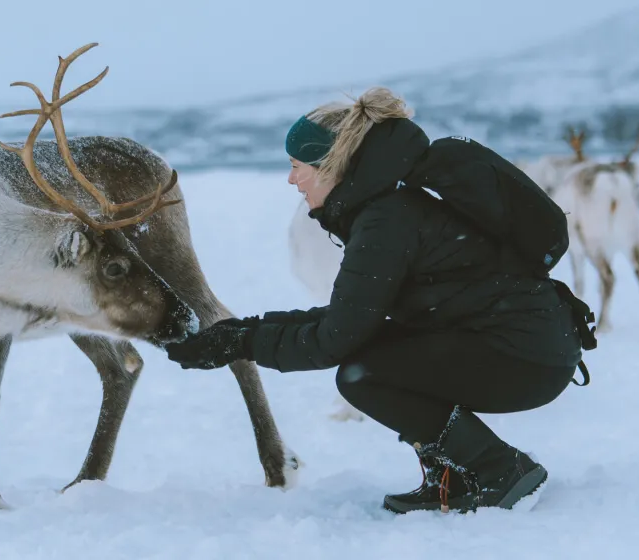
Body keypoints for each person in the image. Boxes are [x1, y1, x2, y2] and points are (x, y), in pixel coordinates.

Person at [162, 87, 589, 515]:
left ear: (329, 166)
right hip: (523, 344)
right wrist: (244, 330)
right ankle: (456, 477)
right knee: (375, 358)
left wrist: (239, 345)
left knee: (366, 375)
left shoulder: (386, 219)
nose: (291, 180)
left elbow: (335, 339)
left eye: (296, 167)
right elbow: (350, 318)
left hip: (526, 356)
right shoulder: (387, 206)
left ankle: (499, 471)